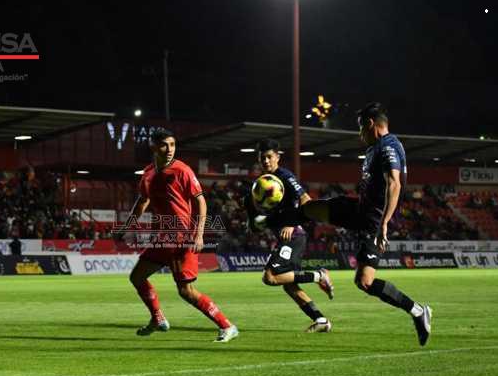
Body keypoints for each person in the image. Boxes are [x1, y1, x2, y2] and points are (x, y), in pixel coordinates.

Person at [291, 102, 432, 346]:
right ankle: (279, 219)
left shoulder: (388, 146)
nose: (359, 134)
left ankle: (418, 311)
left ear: (370, 124)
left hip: (373, 222)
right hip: (360, 211)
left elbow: (394, 184)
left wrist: (384, 223)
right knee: (313, 208)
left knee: (364, 282)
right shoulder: (375, 148)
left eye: (360, 128)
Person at [127, 128, 238, 342]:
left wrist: (199, 234)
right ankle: (158, 319)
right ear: (154, 147)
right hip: (163, 238)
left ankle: (227, 326)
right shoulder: (148, 173)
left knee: (186, 291)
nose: (170, 149)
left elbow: (200, 201)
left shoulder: (182, 170)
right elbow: (142, 201)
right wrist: (127, 226)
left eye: (173, 144)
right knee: (137, 276)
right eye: (164, 145)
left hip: (181, 237)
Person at [245, 138, 334, 333]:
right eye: (262, 158)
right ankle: (321, 320)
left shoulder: (284, 176)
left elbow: (306, 200)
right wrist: (256, 223)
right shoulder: (259, 186)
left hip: (294, 235)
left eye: (269, 157)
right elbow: (257, 223)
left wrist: (292, 223)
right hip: (283, 238)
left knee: (270, 277)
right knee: (289, 285)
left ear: (277, 157)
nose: (266, 161)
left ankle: (319, 275)